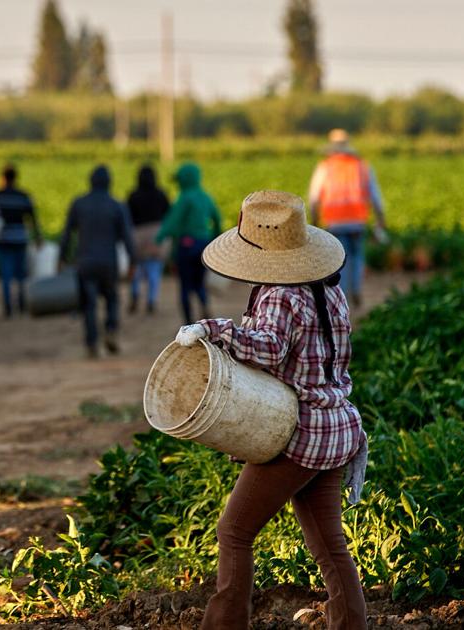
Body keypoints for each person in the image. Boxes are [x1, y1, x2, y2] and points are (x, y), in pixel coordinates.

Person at [176, 190, 367, 630]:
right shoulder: (328, 290)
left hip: (300, 434)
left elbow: (268, 348)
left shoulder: (282, 295)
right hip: (337, 428)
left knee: (235, 532)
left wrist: (212, 329)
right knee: (329, 544)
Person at [60, 165, 136, 358]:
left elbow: (67, 233)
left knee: (89, 304)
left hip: (85, 262)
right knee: (111, 298)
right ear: (109, 182)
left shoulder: (79, 204)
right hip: (108, 262)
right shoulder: (117, 205)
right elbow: (127, 237)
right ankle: (110, 329)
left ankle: (92, 342)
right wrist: (133, 262)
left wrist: (62, 257)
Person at [307, 129, 387, 308]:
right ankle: (356, 290)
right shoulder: (361, 166)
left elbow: (313, 197)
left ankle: (341, 299)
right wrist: (380, 218)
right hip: (357, 220)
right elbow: (375, 195)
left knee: (339, 260)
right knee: (357, 256)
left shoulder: (325, 167)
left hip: (334, 221)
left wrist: (314, 221)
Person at [157, 162, 223, 324]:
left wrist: (159, 237)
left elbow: (173, 223)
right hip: (203, 246)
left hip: (186, 246)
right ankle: (205, 308)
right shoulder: (206, 197)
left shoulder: (184, 198)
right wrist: (215, 240)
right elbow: (217, 220)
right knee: (199, 283)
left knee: (185, 286)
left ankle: (188, 322)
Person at [0, 164, 40, 317]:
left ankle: (7, 306)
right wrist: (38, 236)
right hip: (20, 238)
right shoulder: (24, 196)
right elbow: (33, 218)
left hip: (3, 239)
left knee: (6, 274)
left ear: (3, 178)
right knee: (21, 274)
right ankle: (21, 303)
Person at [125, 164, 171, 315]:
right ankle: (151, 300)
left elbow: (127, 217)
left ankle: (135, 294)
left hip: (137, 234)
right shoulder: (161, 194)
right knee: (154, 269)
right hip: (156, 234)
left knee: (136, 267)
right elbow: (168, 213)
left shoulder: (132, 195)